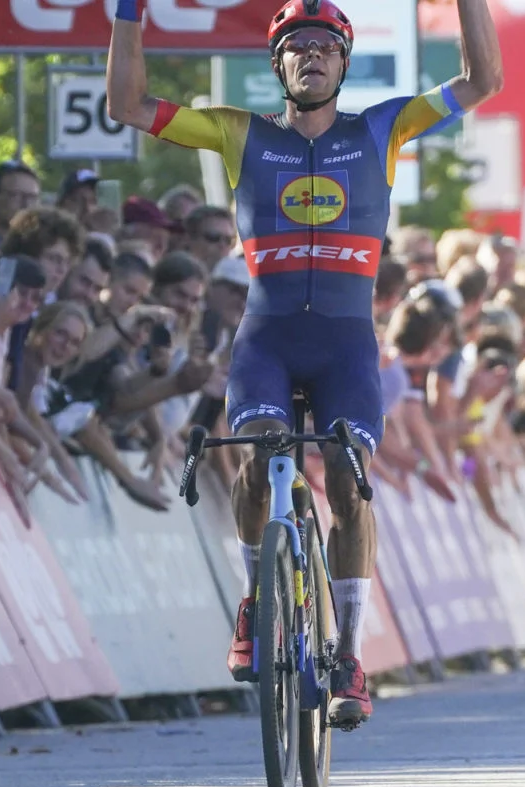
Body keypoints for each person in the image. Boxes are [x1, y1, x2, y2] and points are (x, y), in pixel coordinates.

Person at [106, 0, 503, 728]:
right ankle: (258, 601)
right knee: (258, 460)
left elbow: (482, 81)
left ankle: (349, 653)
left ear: (343, 64)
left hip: (346, 345)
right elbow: (126, 102)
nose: (313, 56)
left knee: (349, 482)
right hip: (268, 337)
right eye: (298, 47)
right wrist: (129, 11)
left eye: (326, 46)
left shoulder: (381, 128)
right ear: (279, 65)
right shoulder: (238, 133)